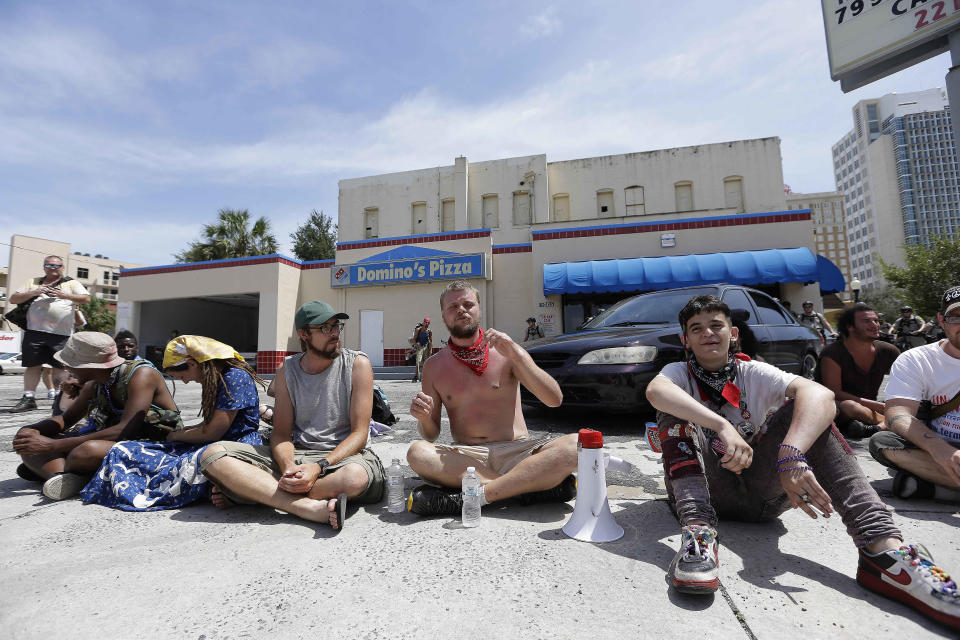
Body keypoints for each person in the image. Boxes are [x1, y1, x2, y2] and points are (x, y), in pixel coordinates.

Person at [644, 294, 960, 626]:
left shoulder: (753, 371)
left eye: (715, 325)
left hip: (763, 493)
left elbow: (821, 395)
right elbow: (656, 391)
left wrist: (791, 453)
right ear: (686, 341)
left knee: (811, 414)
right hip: (705, 492)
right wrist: (722, 425)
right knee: (672, 412)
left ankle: (883, 551)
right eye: (697, 328)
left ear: (732, 333)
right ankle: (698, 537)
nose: (707, 333)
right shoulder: (677, 372)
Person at [198, 301, 385, 531]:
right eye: (325, 328)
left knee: (354, 478)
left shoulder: (358, 364)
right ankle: (306, 507)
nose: (335, 333)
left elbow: (359, 434)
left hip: (343, 458)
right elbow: (281, 433)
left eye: (337, 326)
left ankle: (254, 492)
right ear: (304, 334)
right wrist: (288, 467)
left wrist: (318, 467)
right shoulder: (287, 370)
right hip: (298, 456)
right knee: (213, 454)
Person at [405, 280, 577, 516]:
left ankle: (473, 497)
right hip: (468, 458)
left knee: (577, 446)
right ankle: (527, 487)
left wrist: (517, 354)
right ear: (443, 316)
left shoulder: (507, 351)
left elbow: (554, 399)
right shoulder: (433, 366)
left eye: (468, 304)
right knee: (417, 452)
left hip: (519, 452)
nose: (461, 310)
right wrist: (423, 418)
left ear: (479, 309)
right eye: (453, 306)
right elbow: (431, 434)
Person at [80, 336, 266, 510]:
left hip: (235, 447)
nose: (185, 382)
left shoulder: (233, 377)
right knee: (127, 450)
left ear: (192, 363)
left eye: (181, 376)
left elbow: (212, 433)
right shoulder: (220, 377)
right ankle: (223, 487)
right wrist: (182, 434)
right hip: (216, 443)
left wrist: (174, 435)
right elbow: (207, 427)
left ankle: (233, 490)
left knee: (168, 465)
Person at [12, 332, 181, 501]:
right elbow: (65, 420)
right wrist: (31, 431)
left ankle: (55, 471)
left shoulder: (141, 374)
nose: (66, 368)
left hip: (156, 445)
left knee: (86, 451)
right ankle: (62, 477)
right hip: (116, 443)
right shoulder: (95, 383)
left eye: (70, 364)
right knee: (27, 440)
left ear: (89, 365)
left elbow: (125, 430)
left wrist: (53, 446)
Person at [870, 286, 960, 503]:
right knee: (882, 442)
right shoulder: (916, 360)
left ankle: (936, 489)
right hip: (932, 449)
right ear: (941, 320)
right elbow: (897, 414)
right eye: (956, 317)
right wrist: (940, 449)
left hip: (931, 461)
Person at [7, 255, 90, 413]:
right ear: (44, 267)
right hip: (34, 332)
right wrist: (35, 292)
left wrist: (64, 295)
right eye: (49, 265)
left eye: (56, 265)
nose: (53, 268)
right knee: (32, 366)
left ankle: (61, 400)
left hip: (61, 334)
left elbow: (86, 298)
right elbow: (13, 299)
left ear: (62, 267)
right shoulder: (34, 282)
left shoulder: (71, 283)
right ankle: (29, 398)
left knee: (60, 368)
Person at [815, 303, 900, 439]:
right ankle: (886, 424)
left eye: (876, 320)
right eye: (866, 321)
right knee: (849, 407)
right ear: (850, 327)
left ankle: (867, 428)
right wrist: (873, 404)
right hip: (836, 409)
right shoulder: (832, 353)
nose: (875, 325)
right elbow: (834, 393)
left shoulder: (888, 351)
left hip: (868, 411)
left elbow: (907, 380)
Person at [411, 317, 433, 382]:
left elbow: (431, 341)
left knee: (426, 363)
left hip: (426, 348)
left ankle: (424, 377)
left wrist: (431, 349)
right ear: (423, 322)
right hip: (420, 347)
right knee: (418, 361)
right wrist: (416, 344)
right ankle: (416, 376)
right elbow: (414, 339)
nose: (426, 324)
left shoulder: (429, 331)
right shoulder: (418, 330)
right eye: (425, 322)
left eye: (428, 323)